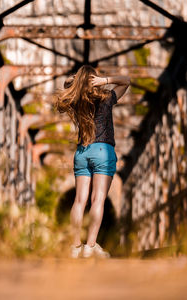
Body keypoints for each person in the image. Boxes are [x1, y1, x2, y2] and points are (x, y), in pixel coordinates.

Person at [54, 65, 130, 258]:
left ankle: (74, 247)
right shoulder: (106, 98)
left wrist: (78, 80)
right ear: (94, 80)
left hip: (82, 152)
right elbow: (126, 81)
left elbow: (66, 84)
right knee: (98, 199)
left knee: (79, 200)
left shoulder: (76, 100)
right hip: (103, 150)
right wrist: (105, 81)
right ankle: (90, 246)